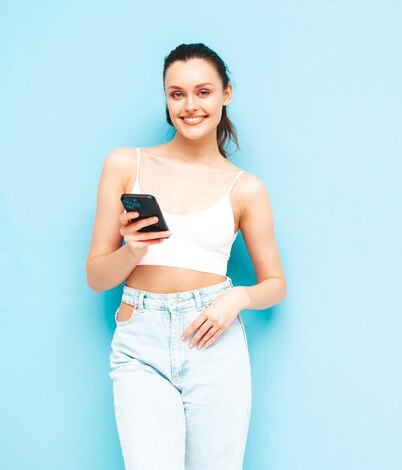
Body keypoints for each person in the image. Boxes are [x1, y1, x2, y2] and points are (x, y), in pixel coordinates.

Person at [85, 43, 287, 470]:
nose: (190, 105)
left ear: (225, 94)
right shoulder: (126, 164)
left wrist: (238, 298)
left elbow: (275, 284)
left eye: (203, 92)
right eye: (176, 94)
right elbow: (97, 277)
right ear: (166, 98)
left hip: (214, 341)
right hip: (141, 341)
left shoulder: (246, 188)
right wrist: (132, 251)